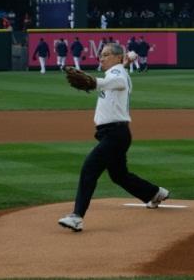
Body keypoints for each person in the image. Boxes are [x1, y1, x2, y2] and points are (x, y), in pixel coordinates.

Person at [58, 42, 169, 232]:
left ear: (117, 57)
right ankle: (155, 193)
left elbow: (119, 82)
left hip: (115, 134)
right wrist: (125, 61)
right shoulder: (117, 70)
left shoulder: (117, 74)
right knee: (119, 175)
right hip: (114, 134)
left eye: (106, 54)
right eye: (101, 55)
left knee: (90, 168)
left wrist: (95, 82)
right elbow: (119, 71)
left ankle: (77, 217)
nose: (101, 58)